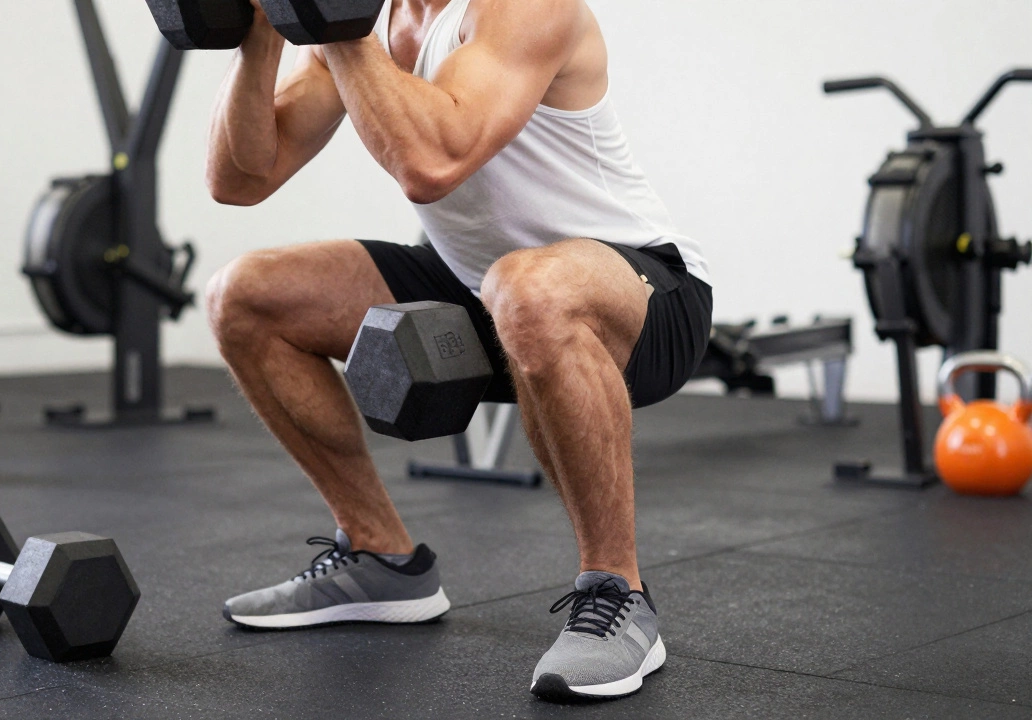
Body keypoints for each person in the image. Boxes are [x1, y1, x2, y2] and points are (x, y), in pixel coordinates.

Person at [203, 0, 712, 702]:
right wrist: (258, 39)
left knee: (526, 286)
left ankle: (617, 595)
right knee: (244, 296)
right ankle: (380, 556)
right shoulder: (359, 25)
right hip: (479, 285)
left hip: (641, 291)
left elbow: (432, 162)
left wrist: (332, 23)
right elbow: (240, 179)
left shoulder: (526, 9)